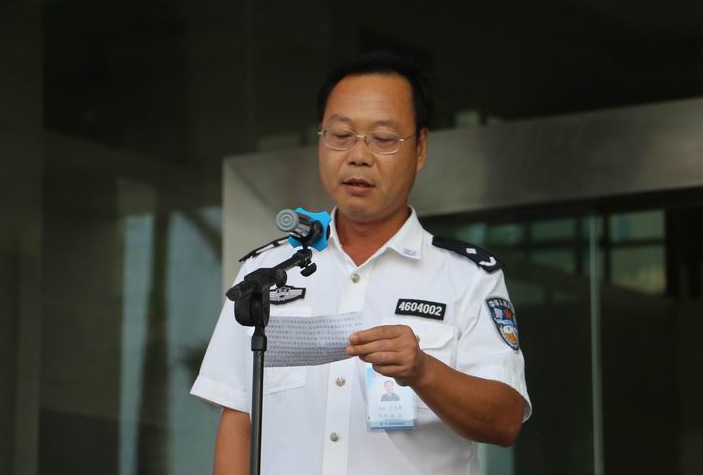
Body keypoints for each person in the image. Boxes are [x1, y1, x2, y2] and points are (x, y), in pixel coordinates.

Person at [191, 51, 531, 475]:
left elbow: (504, 421)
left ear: (420, 148)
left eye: (383, 139)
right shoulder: (266, 273)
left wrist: (423, 371)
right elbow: (238, 420)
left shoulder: (467, 277)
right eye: (341, 134)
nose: (358, 155)